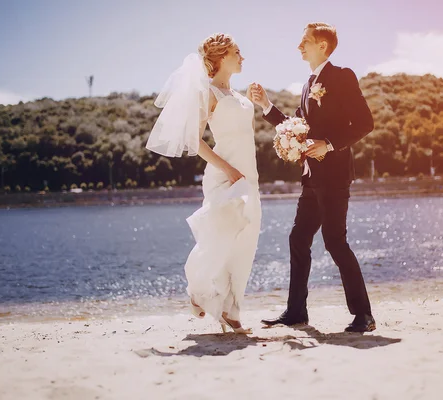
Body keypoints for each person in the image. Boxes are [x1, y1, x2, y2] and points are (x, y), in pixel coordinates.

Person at [250, 22, 376, 333]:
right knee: (298, 238)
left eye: (304, 41)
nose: (299, 47)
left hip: (334, 176)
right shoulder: (309, 84)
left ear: (322, 45)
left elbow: (365, 123)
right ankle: (296, 312)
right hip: (311, 179)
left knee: (335, 242)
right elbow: (296, 125)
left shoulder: (342, 76)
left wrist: (329, 144)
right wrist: (265, 105)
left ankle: (364, 315)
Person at [146, 33, 261, 334]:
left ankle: (232, 308)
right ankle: (200, 291)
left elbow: (244, 135)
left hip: (249, 175)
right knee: (221, 236)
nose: (242, 57)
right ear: (222, 56)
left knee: (246, 240)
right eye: (237, 52)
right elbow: (194, 141)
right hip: (224, 175)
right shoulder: (208, 93)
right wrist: (228, 169)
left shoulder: (238, 96)